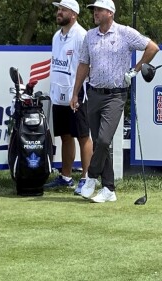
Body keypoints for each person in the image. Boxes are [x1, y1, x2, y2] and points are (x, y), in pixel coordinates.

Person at [70, 0, 159, 203]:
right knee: (101, 143)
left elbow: (152, 48)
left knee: (102, 140)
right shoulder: (90, 36)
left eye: (99, 10)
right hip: (93, 94)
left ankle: (91, 177)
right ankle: (109, 189)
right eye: (94, 10)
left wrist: (135, 70)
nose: (95, 13)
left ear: (110, 13)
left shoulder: (125, 33)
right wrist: (75, 93)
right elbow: (84, 64)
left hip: (116, 95)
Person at [44, 0, 93, 196]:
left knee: (82, 135)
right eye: (58, 9)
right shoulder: (57, 36)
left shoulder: (82, 36)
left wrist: (76, 92)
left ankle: (86, 178)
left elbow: (87, 65)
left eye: (62, 9)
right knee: (65, 135)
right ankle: (65, 177)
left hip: (77, 93)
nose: (58, 12)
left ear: (73, 14)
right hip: (59, 94)